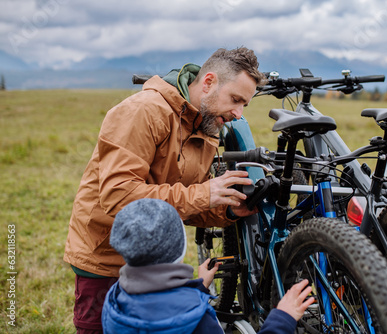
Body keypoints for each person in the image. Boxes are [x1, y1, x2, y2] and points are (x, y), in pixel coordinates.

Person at [63, 47, 267, 333]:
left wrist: (227, 208)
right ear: (208, 82)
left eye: (245, 104)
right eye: (235, 100)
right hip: (107, 258)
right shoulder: (143, 111)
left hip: (159, 262)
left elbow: (185, 201)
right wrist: (204, 194)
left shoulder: (205, 127)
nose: (238, 113)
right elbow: (118, 196)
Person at [101, 198, 315, 334]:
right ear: (178, 248)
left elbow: (158, 307)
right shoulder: (197, 319)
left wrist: (199, 288)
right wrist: (282, 318)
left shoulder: (114, 300)